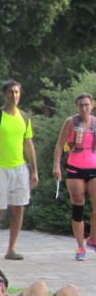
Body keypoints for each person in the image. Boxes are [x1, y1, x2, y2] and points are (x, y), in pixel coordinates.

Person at [0, 80, 38, 260]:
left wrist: (34, 170)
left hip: (19, 168)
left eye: (16, 92)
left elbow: (28, 144)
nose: (14, 96)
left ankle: (11, 249)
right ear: (4, 95)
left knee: (19, 208)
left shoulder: (25, 118)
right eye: (10, 92)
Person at [52, 92, 96, 260]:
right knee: (78, 205)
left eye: (87, 104)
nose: (84, 108)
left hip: (94, 168)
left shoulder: (95, 123)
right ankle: (80, 247)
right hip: (75, 168)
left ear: (92, 105)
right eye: (81, 105)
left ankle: (93, 239)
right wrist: (56, 165)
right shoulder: (70, 122)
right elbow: (59, 145)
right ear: (77, 107)